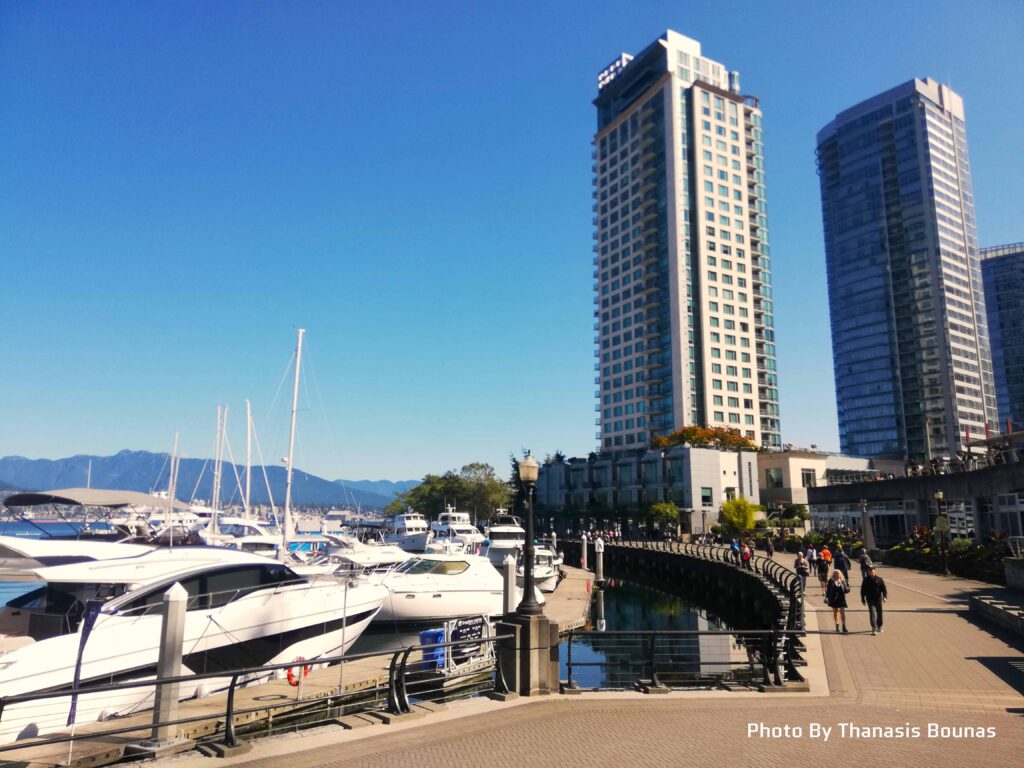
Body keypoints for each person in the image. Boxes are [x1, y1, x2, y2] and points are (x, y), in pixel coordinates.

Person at [861, 566, 888, 635]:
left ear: (875, 572)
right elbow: (863, 590)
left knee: (879, 614)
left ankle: (879, 626)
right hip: (870, 600)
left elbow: (884, 589)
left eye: (872, 572)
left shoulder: (879, 579)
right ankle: (874, 629)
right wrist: (863, 599)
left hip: (878, 599)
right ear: (868, 573)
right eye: (870, 572)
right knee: (872, 614)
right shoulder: (866, 580)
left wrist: (885, 597)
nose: (871, 573)